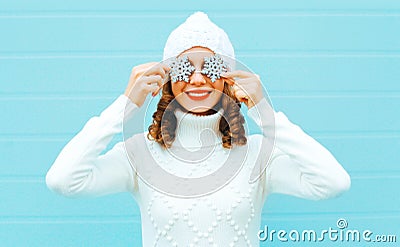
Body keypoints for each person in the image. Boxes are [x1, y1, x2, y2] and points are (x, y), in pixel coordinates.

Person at [46, 11, 351, 247]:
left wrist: (265, 113)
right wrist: (123, 106)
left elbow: (333, 183)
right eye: (183, 67)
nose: (196, 78)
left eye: (211, 67)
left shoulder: (258, 154)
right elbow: (62, 180)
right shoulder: (139, 153)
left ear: (228, 78)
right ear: (167, 77)